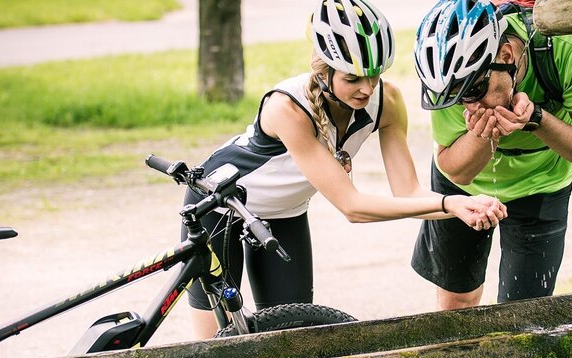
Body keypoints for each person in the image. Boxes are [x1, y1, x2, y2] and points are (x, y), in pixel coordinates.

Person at [183, 0, 507, 338]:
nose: (367, 88)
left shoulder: (388, 102)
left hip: (283, 214)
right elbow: (352, 207)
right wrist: (448, 204)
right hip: (217, 206)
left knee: (293, 340)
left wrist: (460, 205)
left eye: (374, 75)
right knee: (213, 350)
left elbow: (409, 192)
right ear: (324, 72)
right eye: (353, 78)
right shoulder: (288, 109)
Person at [411, 0, 572, 310]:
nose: (469, 107)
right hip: (465, 192)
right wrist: (483, 135)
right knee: (457, 299)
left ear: (506, 56)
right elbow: (455, 171)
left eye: (473, 92)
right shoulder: (449, 70)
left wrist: (537, 120)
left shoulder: (567, 45)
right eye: (456, 98)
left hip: (542, 184)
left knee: (521, 312)